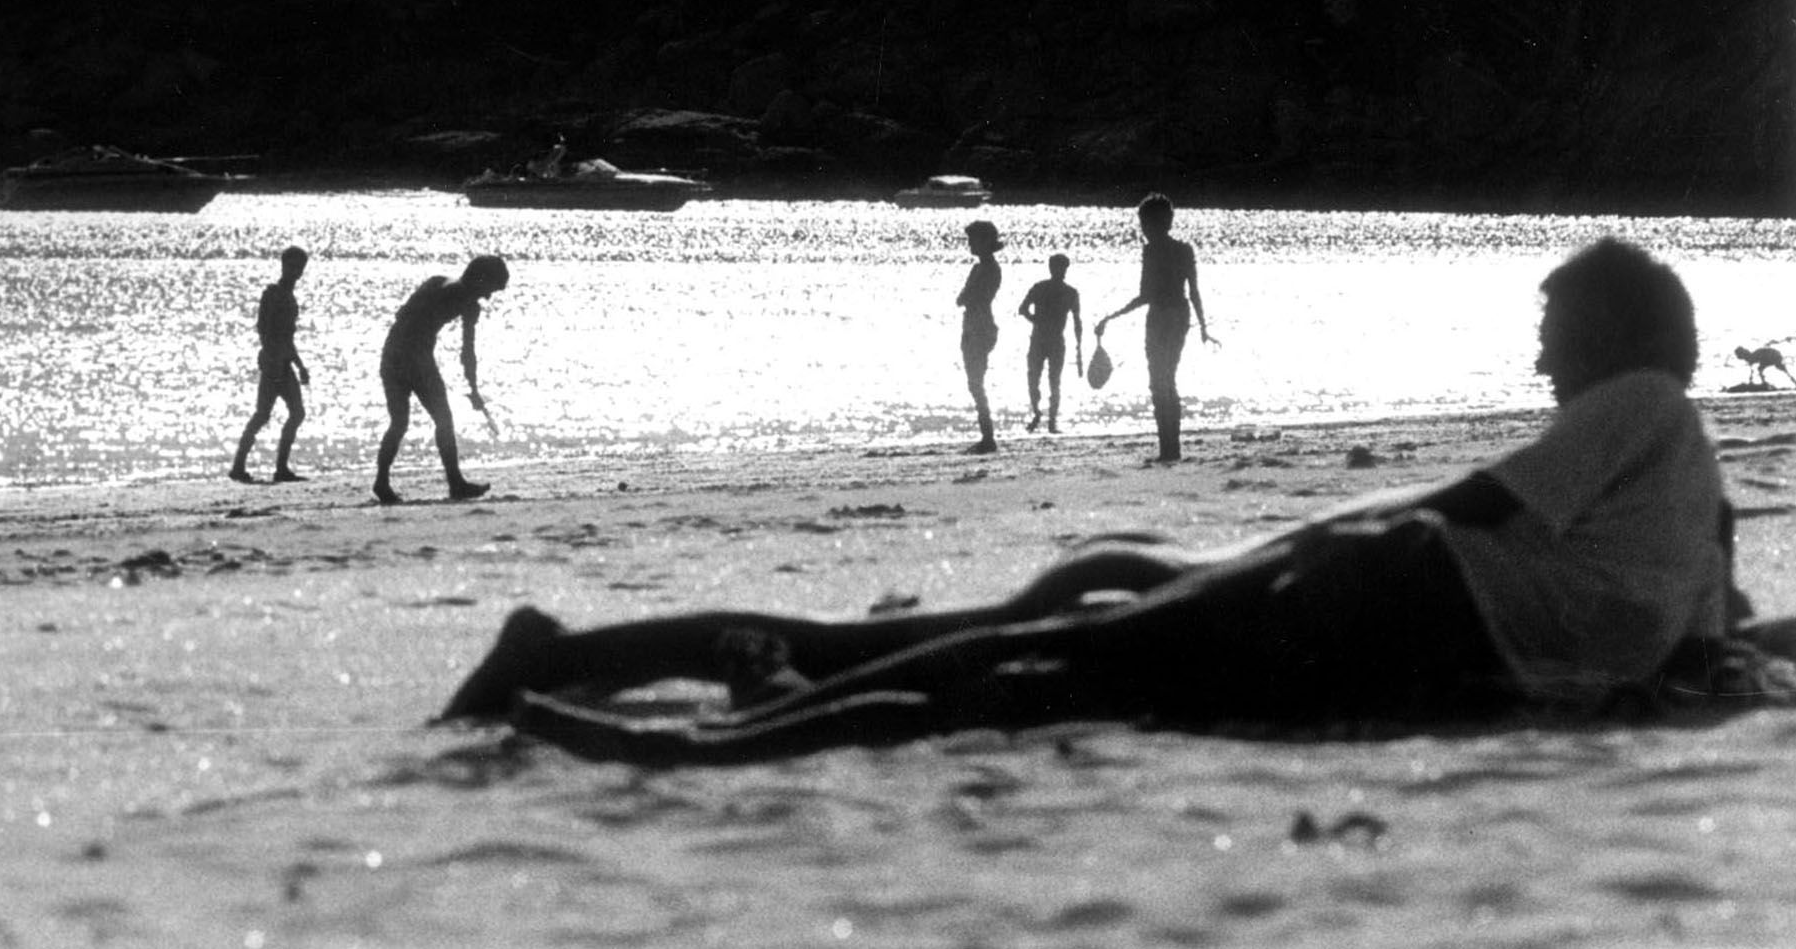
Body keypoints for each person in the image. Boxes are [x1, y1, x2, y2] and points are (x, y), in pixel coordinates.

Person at [440, 238, 1736, 765]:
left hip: (1404, 597)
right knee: (1037, 652)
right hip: (1405, 601)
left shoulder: (1642, 402)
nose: (1540, 355)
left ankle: (699, 710)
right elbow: (1695, 634)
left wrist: (1278, 539)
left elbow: (1487, 513)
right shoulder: (1667, 452)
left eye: (1555, 325)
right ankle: (677, 705)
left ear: (1620, 329)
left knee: (1043, 657)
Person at [373, 255, 509, 505]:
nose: (488, 296)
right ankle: (455, 483)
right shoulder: (467, 302)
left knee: (400, 422)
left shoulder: (437, 281)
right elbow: (467, 352)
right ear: (480, 279)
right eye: (490, 289)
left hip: (391, 352)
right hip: (415, 359)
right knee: (442, 420)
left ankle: (382, 481)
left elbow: (402, 314)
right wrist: (474, 389)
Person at [1096, 193, 1210, 462]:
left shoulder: (1151, 251)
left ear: (1153, 224)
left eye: (1145, 224)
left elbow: (1145, 295)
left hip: (1160, 317)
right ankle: (1173, 448)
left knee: (1159, 382)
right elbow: (1193, 291)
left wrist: (1111, 317)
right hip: (1180, 317)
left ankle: (1167, 448)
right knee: (1168, 379)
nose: (1144, 230)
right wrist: (1202, 325)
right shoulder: (1184, 249)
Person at [230, 246, 310, 484]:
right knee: (263, 414)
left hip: (283, 362)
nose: (296, 272)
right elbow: (265, 330)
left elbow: (288, 338)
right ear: (284, 266)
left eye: (299, 268)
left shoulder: (287, 296)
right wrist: (273, 357)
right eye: (292, 266)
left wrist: (299, 365)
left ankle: (280, 468)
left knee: (295, 412)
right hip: (274, 363)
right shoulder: (274, 294)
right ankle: (239, 466)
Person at [1018, 253, 1083, 433]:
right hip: (1040, 340)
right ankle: (1039, 415)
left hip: (1052, 341)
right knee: (1036, 379)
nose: (1058, 271)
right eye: (1056, 268)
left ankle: (1051, 421)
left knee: (1052, 381)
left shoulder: (1069, 292)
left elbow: (1077, 321)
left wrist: (1079, 347)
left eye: (1060, 268)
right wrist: (1036, 321)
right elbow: (1022, 309)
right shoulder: (1042, 288)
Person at [957, 220, 1003, 454]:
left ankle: (988, 437)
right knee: (974, 382)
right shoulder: (981, 268)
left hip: (980, 325)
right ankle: (986, 435)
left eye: (973, 240)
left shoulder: (989, 268)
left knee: (976, 382)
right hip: (974, 323)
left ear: (985, 242)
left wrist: (967, 295)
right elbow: (964, 297)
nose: (970, 244)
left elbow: (968, 297)